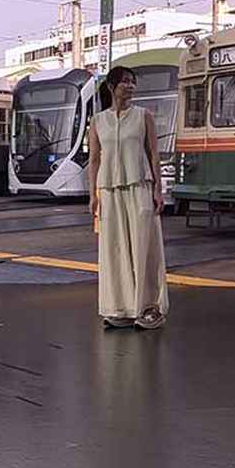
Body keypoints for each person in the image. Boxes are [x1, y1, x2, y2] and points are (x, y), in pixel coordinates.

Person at [88, 65, 169, 330]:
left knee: (146, 247)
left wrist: (158, 189)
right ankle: (120, 307)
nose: (131, 86)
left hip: (140, 186)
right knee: (115, 249)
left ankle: (150, 308)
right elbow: (94, 159)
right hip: (109, 191)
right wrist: (93, 195)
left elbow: (154, 154)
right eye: (125, 82)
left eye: (133, 82)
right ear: (112, 87)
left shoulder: (143, 115)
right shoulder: (98, 121)